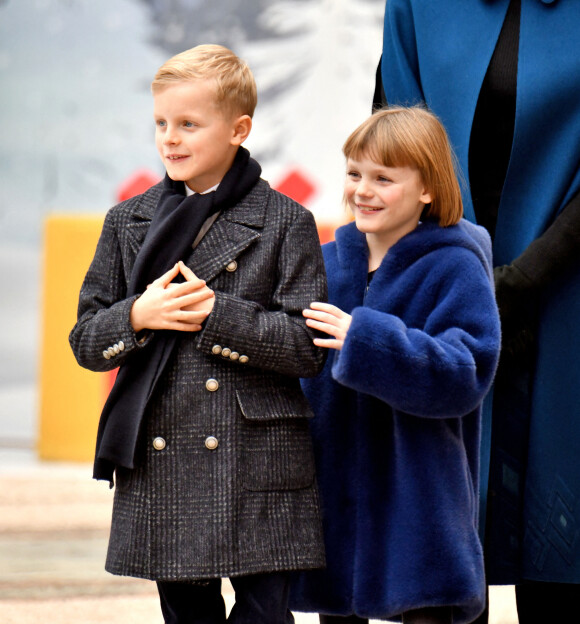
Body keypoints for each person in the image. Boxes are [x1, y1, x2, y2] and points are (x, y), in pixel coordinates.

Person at [69, 44, 327, 624]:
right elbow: (86, 339)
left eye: (189, 124)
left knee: (265, 617)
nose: (170, 138)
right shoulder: (127, 221)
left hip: (257, 459)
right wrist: (138, 316)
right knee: (188, 615)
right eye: (161, 123)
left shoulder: (286, 221)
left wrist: (217, 314)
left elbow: (306, 348)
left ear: (239, 129)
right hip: (165, 454)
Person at [377, 1, 580, 621]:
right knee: (442, 567)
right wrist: (463, 286)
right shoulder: (415, 4)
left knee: (565, 548)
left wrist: (526, 281)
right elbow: (395, 143)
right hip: (444, 299)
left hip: (571, 298)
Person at [289, 106, 501, 624]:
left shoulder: (455, 266)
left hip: (419, 503)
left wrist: (365, 339)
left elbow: (465, 371)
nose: (363, 190)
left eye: (384, 178)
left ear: (427, 188)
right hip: (330, 500)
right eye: (355, 173)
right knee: (335, 608)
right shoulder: (323, 262)